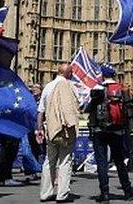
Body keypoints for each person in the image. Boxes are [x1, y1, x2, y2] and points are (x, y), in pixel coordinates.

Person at [86, 63, 133, 204]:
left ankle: (105, 194)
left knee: (102, 162)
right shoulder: (122, 89)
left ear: (102, 74)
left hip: (100, 131)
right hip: (118, 131)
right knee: (119, 161)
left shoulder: (98, 88)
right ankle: (127, 191)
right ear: (114, 75)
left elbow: (88, 108)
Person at [38, 65, 80, 203]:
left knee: (49, 160)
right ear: (67, 73)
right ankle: (62, 195)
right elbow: (74, 107)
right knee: (65, 161)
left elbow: (41, 111)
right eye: (71, 72)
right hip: (66, 130)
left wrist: (39, 129)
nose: (72, 74)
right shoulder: (69, 86)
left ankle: (45, 193)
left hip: (50, 129)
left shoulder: (48, 87)